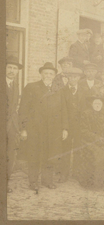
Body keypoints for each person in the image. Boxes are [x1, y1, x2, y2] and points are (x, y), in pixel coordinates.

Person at [18, 62, 68, 192]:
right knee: (34, 155)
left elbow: (64, 110)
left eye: (51, 73)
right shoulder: (31, 87)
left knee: (50, 155)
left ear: (54, 76)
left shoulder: (58, 90)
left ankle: (47, 181)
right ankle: (33, 182)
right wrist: (23, 128)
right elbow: (23, 109)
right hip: (35, 129)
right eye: (45, 73)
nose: (48, 75)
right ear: (41, 74)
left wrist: (64, 128)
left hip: (53, 130)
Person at [74, 95, 104, 190]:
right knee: (100, 154)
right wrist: (97, 139)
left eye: (99, 103)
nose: (97, 105)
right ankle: (94, 183)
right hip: (87, 141)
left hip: (101, 141)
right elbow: (84, 131)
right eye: (95, 103)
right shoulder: (85, 114)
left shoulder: (103, 115)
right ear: (92, 104)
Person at [59, 67, 87, 183]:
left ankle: (76, 173)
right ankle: (64, 174)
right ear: (67, 78)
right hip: (67, 126)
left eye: (75, 77)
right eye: (70, 76)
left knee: (78, 149)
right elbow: (61, 110)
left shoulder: (84, 91)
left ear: (79, 78)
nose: (73, 79)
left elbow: (86, 110)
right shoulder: (62, 91)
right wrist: (64, 128)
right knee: (65, 149)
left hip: (80, 126)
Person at [6, 55, 23, 193]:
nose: (12, 70)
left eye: (14, 68)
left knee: (10, 153)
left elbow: (14, 108)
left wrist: (18, 127)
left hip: (11, 126)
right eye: (9, 67)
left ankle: (5, 182)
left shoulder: (16, 85)